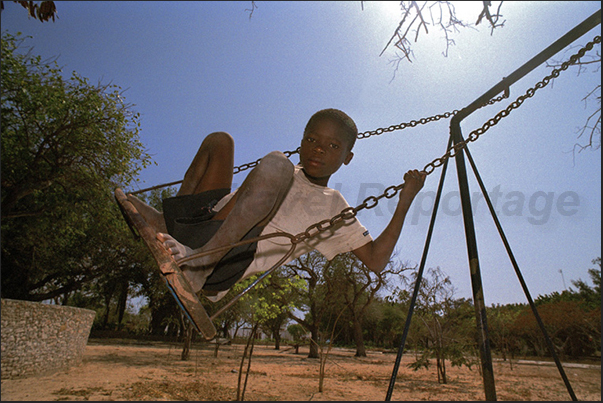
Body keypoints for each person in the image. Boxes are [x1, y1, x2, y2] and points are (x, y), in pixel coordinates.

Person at [127, 108, 426, 302]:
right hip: (202, 227)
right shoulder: (285, 170)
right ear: (302, 141)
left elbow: (376, 260)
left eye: (333, 146)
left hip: (224, 260)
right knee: (221, 142)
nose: (319, 148)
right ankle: (172, 229)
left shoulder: (334, 206)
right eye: (312, 139)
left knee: (276, 164)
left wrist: (406, 200)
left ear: (347, 158)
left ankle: (199, 264)